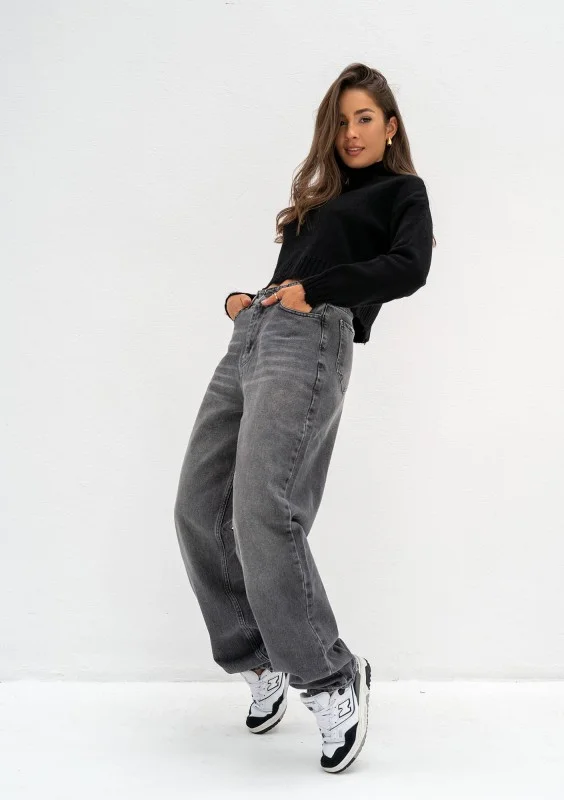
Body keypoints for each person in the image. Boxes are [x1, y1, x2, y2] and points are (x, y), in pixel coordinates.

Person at [174, 62, 435, 774]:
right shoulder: (317, 202)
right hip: (255, 332)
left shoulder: (402, 192)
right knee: (198, 506)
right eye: (341, 120)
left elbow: (410, 267)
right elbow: (296, 273)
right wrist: (251, 299)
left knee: (265, 509)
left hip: (311, 336)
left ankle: (329, 676)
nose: (352, 132)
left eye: (365, 118)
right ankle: (256, 658)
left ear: (390, 126)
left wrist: (314, 292)